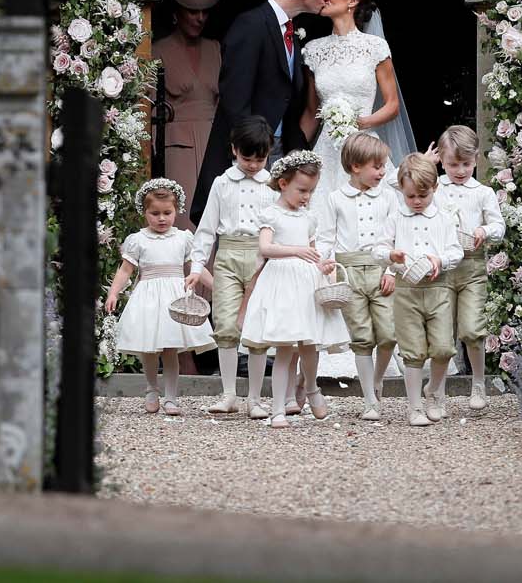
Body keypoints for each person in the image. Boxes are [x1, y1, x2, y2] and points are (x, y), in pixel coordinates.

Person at [190, 0, 332, 225]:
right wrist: (250, 152)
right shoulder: (251, 24)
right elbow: (235, 96)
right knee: (243, 225)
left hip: (279, 148)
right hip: (250, 151)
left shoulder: (291, 30)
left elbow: (288, 95)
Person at [240, 151, 350, 428]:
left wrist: (323, 266)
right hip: (280, 282)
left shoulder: (308, 217)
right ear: (283, 184)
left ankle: (310, 388)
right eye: (302, 190)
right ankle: (278, 408)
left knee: (310, 344)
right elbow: (265, 248)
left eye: (311, 191)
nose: (306, 197)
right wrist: (296, 251)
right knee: (285, 346)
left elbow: (313, 251)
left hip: (306, 281)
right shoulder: (271, 215)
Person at [188, 116, 277, 415]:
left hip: (260, 258)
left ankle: (254, 398)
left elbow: (282, 224)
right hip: (227, 255)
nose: (253, 165)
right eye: (246, 157)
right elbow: (206, 228)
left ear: (268, 153)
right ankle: (228, 394)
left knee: (256, 328)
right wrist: (197, 266)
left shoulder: (273, 185)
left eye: (260, 158)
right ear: (234, 150)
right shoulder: (222, 183)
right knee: (225, 324)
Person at [103, 178, 215, 417]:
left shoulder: (183, 238)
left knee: (171, 348)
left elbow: (196, 266)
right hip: (148, 297)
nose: (161, 218)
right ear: (145, 212)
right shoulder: (138, 240)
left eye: (167, 213)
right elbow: (125, 270)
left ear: (176, 211)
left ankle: (171, 397)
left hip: (174, 297)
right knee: (149, 348)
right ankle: (152, 388)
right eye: (155, 213)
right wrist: (114, 292)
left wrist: (215, 286)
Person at [299, 0, 414, 197]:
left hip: (365, 146)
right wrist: (298, 154)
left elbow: (392, 105)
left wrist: (361, 123)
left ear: (352, 1)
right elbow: (312, 112)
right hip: (327, 150)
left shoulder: (375, 47)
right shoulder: (313, 50)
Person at [374, 154, 463, 427]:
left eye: (422, 195)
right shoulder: (395, 217)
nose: (416, 201)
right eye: (410, 196)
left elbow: (456, 251)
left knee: (444, 348)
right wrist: (392, 255)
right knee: (412, 351)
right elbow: (378, 249)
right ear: (401, 189)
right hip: (406, 290)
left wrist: (441, 260)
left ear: (434, 188)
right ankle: (414, 407)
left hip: (438, 289)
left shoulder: (444, 219)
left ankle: (434, 392)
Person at [314, 132, 398, 421]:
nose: (382, 172)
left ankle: (377, 380)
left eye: (383, 165)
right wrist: (325, 262)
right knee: (361, 337)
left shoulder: (388, 197)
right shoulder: (336, 199)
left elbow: (396, 238)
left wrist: (390, 271)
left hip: (380, 270)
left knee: (388, 334)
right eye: (376, 166)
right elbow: (326, 237)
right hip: (349, 273)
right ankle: (370, 400)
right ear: (355, 167)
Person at [432, 125, 505, 412]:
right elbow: (401, 189)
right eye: (452, 164)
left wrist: (483, 231)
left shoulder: (483, 192)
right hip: (441, 269)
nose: (460, 170)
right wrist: (428, 165)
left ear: (476, 159)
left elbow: (499, 226)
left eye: (465, 163)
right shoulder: (435, 187)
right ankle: (436, 391)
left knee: (473, 329)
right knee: (442, 332)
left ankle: (478, 382)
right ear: (442, 161)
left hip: (472, 267)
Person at [152, 0, 223, 232]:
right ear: (177, 12)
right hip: (175, 146)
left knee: (215, 218)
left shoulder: (215, 49)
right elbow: (147, 108)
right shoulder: (158, 51)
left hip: (212, 143)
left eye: (204, 12)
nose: (200, 18)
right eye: (193, 11)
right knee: (181, 220)